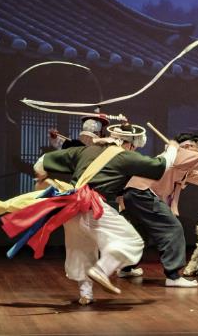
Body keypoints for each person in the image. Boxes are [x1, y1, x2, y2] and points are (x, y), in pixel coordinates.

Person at [28, 122, 177, 304]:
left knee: (82, 249)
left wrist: (40, 176)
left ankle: (86, 294)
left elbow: (43, 160)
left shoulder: (85, 151)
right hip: (93, 205)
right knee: (131, 241)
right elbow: (161, 166)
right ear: (129, 144)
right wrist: (172, 148)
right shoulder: (124, 156)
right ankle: (102, 270)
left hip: (71, 208)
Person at [119, 132, 198, 287]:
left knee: (140, 234)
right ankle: (173, 277)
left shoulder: (180, 163)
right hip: (143, 193)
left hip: (134, 194)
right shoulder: (180, 153)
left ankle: (126, 268)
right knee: (173, 229)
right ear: (188, 146)